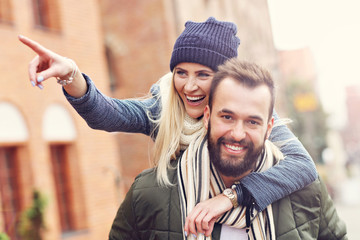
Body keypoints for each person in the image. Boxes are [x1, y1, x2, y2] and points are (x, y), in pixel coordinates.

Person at [19, 17, 317, 230]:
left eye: (203, 74)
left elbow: (302, 166)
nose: (189, 86)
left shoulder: (248, 119)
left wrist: (231, 197)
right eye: (181, 72)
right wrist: (71, 74)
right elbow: (107, 114)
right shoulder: (165, 108)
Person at [108, 59, 347, 240]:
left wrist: (231, 197)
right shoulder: (149, 192)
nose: (237, 133)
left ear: (269, 128)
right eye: (227, 117)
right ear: (208, 117)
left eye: (252, 121)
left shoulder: (305, 189)